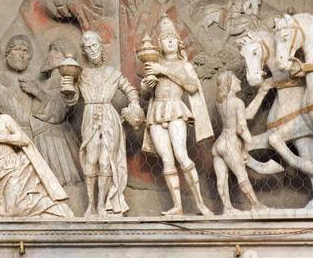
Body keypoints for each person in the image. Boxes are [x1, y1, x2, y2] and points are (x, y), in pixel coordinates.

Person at [60, 31, 142, 216]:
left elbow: (130, 90)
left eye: (95, 45)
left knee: (106, 161)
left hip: (109, 118)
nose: (92, 50)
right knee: (90, 160)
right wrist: (68, 90)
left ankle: (102, 204)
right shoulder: (81, 75)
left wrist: (135, 105)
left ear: (101, 46)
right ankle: (91, 205)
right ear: (84, 51)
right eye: (88, 47)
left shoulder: (112, 73)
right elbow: (72, 100)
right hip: (90, 117)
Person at [140, 16, 214, 216]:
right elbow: (145, 96)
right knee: (167, 159)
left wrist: (164, 71)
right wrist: (146, 86)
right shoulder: (152, 64)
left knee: (182, 155)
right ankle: (177, 206)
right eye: (165, 38)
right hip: (157, 112)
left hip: (175, 110)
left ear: (178, 42)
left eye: (173, 37)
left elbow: (191, 87)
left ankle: (199, 204)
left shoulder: (184, 65)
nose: (170, 41)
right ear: (160, 44)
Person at [0, 96, 72, 218]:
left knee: (15, 210)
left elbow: (24, 140)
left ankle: (49, 206)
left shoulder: (3, 119)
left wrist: (1, 138)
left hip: (12, 167)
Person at [19, 41, 84, 197]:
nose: (50, 55)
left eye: (55, 51)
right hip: (41, 139)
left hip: (55, 141)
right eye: (51, 50)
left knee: (63, 187)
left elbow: (58, 112)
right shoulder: (47, 82)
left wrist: (37, 92)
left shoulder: (66, 81)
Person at [211, 70, 261, 215]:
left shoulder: (219, 103)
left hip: (219, 143)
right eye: (235, 79)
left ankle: (227, 208)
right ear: (229, 84)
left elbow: (248, 114)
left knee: (222, 180)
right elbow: (241, 128)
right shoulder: (238, 102)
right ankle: (256, 205)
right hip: (231, 143)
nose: (239, 81)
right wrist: (248, 144)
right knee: (242, 176)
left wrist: (261, 93)